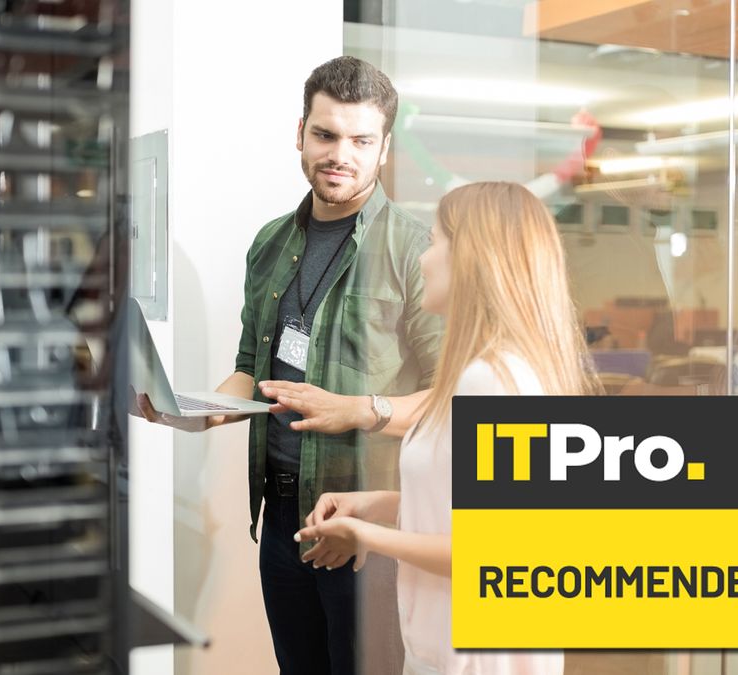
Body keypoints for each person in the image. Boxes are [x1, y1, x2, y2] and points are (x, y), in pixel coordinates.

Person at [134, 56, 444, 675]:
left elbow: (450, 399)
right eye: (325, 135)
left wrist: (358, 410)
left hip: (367, 531)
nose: (340, 155)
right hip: (281, 521)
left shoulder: (416, 250)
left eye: (361, 140)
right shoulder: (270, 243)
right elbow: (251, 367)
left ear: (383, 149)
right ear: (300, 131)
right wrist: (200, 412)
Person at [281, 181, 600, 675]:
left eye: (433, 242)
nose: (424, 258)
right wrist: (379, 505)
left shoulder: (491, 381)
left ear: (471, 257)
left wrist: (364, 532)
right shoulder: (491, 371)